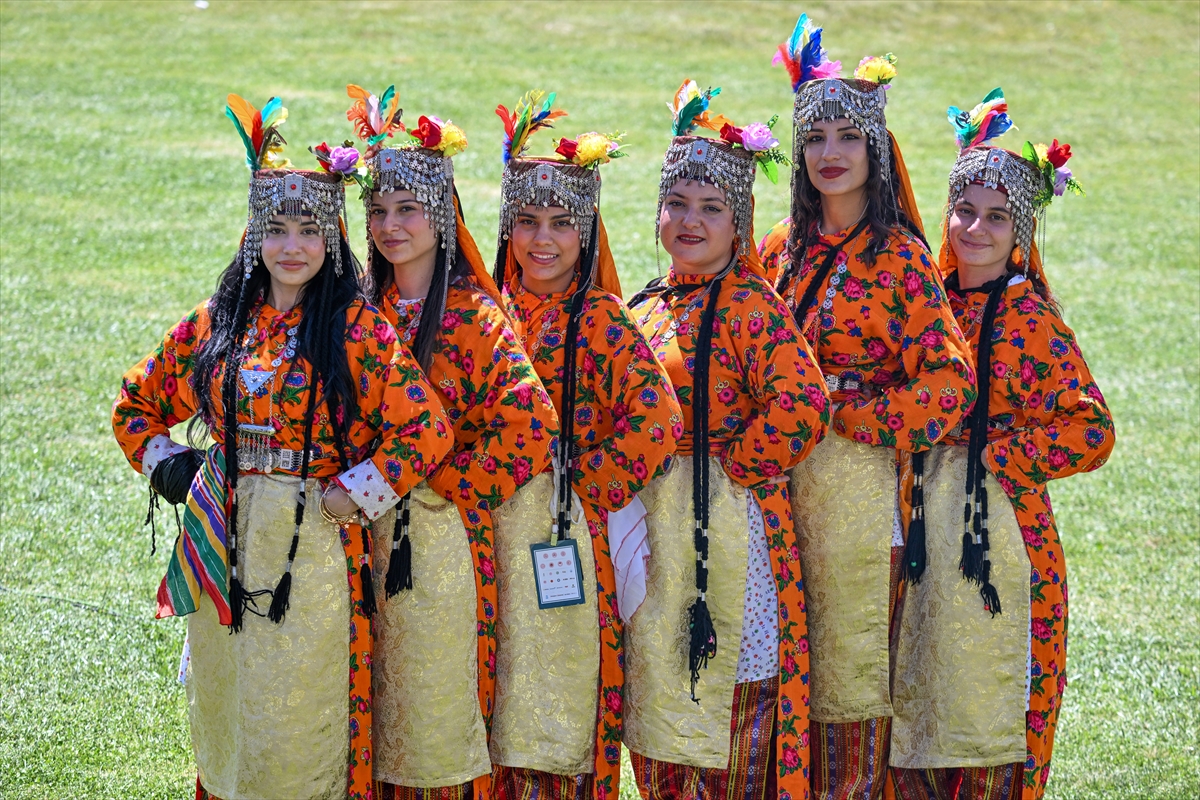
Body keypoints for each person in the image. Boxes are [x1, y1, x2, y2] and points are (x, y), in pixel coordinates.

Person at [111, 95, 453, 800]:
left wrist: (354, 492)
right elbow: (134, 404)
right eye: (276, 230)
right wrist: (169, 465)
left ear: (332, 238)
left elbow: (426, 429)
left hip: (317, 546)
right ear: (253, 236)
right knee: (231, 707)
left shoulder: (355, 326)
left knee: (302, 718)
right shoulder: (220, 321)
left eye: (309, 230)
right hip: (223, 539)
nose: (292, 247)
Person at [756, 15, 975, 799]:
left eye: (849, 136)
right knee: (780, 667)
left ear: (876, 148)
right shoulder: (778, 248)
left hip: (862, 492)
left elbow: (949, 384)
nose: (831, 152)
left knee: (851, 674)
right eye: (815, 137)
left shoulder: (901, 258)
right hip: (773, 491)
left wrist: (850, 417)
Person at [888, 90, 1114, 800]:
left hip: (1003, 537)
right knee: (914, 696)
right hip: (915, 526)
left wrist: (1003, 457)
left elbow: (1091, 428)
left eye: (995, 216)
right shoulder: (927, 300)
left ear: (1021, 227)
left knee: (990, 705)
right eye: (964, 211)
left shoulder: (1032, 319)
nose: (976, 228)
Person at [344, 84, 559, 800]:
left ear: (442, 214)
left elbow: (532, 423)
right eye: (378, 211)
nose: (390, 225)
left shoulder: (475, 317)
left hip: (438, 542)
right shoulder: (359, 309)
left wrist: (446, 484)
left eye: (408, 209)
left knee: (433, 708)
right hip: (352, 535)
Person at [623, 80, 830, 800]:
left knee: (730, 696)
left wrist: (733, 468)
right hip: (656, 527)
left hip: (729, 527)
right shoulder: (645, 305)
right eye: (677, 204)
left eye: (711, 208)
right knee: (660, 689)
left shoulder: (749, 305)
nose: (690, 221)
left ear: (739, 222)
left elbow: (803, 404)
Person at [489, 91, 682, 800]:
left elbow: (657, 417)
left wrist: (583, 483)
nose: (542, 239)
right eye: (527, 221)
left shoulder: (599, 317)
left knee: (560, 691)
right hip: (489, 529)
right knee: (495, 683)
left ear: (588, 230)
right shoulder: (490, 311)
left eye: (562, 223)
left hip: (566, 531)